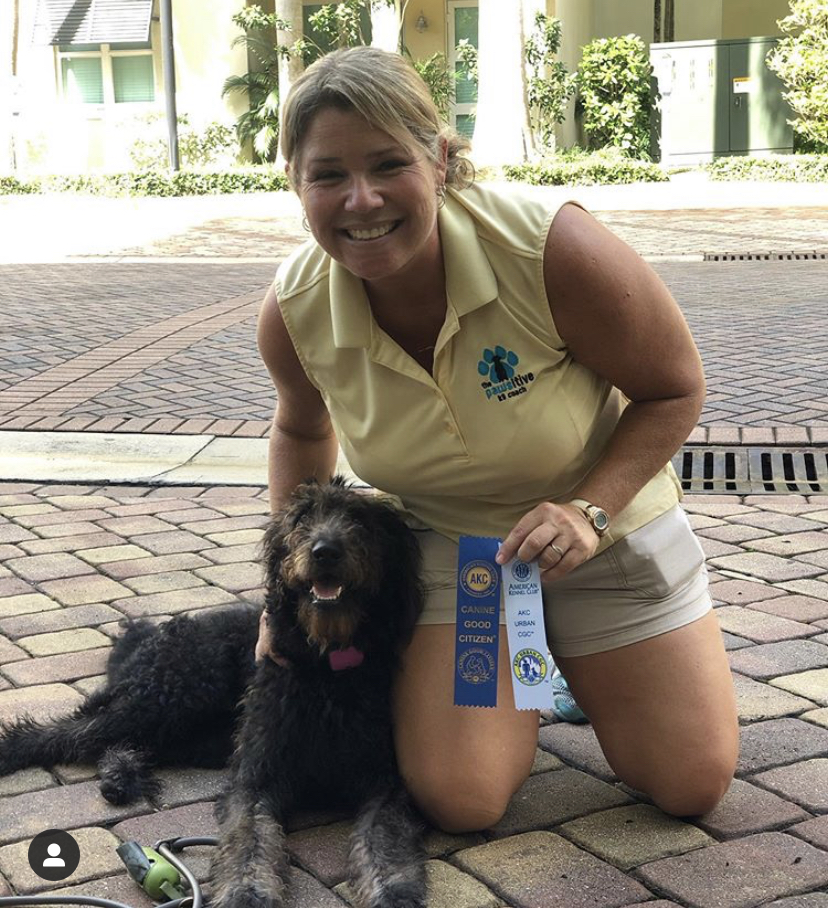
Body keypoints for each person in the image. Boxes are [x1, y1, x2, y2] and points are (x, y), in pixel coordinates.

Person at [255, 45, 738, 832]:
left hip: (606, 530)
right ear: (295, 183)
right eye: (328, 174)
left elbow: (675, 388)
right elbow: (301, 429)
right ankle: (534, 678)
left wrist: (588, 511)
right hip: (463, 559)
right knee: (462, 798)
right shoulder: (294, 309)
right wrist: (286, 594)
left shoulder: (551, 251)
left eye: (389, 164)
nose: (361, 199)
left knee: (690, 784)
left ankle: (582, 664)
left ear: (441, 161)